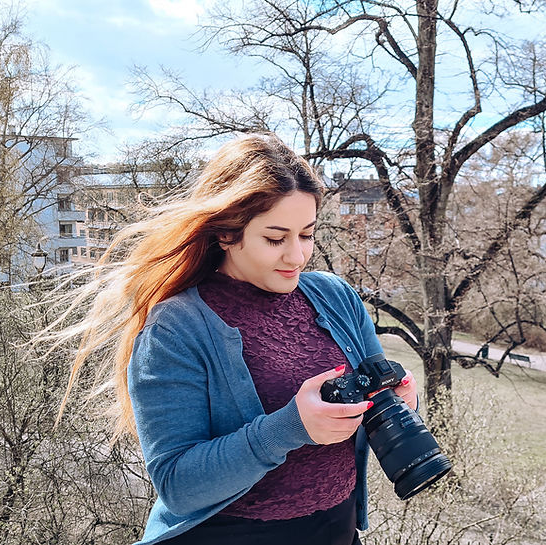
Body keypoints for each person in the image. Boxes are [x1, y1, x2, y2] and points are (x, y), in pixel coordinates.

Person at [44, 134, 418, 545]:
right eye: (275, 239)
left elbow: (374, 399)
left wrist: (397, 403)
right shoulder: (177, 326)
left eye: (307, 235)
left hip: (338, 531)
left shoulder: (334, 296)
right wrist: (291, 426)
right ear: (226, 233)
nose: (296, 256)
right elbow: (178, 486)